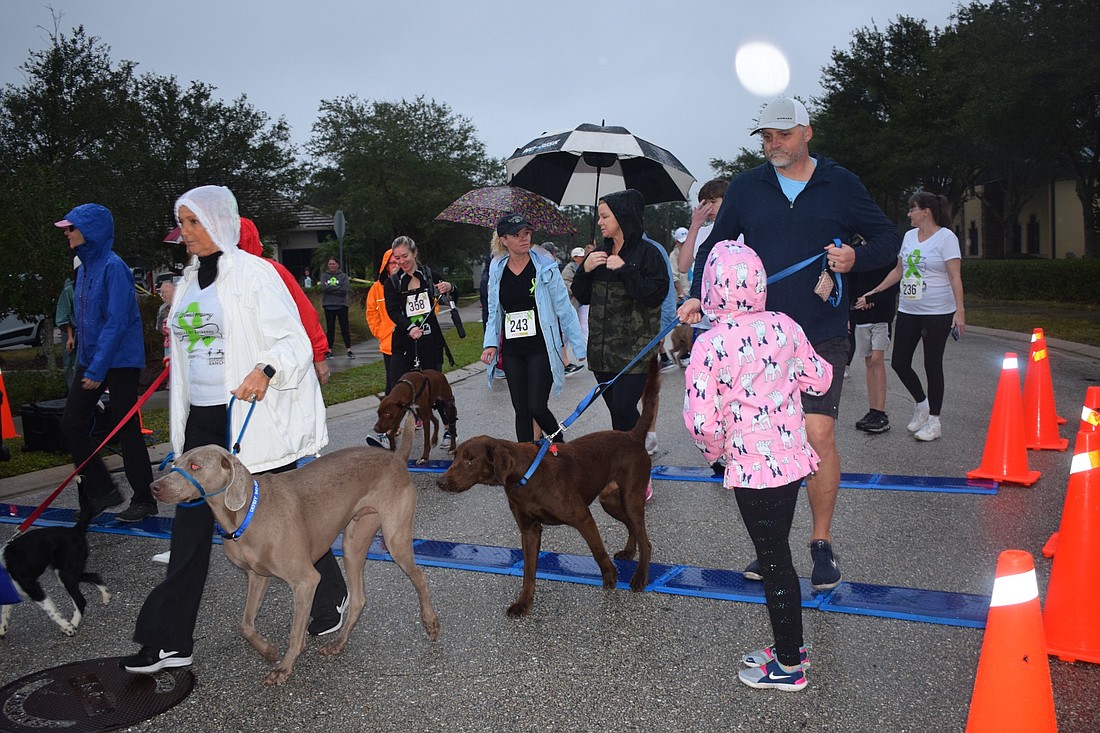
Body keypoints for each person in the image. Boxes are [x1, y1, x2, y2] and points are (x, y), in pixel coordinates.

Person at [121, 185, 345, 674]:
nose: (185, 235)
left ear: (220, 222)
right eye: (181, 224)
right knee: (191, 530)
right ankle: (170, 639)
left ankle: (328, 593)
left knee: (288, 514)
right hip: (201, 421)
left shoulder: (257, 274)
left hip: (248, 415)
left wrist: (267, 369)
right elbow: (186, 347)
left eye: (193, 223)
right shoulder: (185, 282)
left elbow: (293, 342)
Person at [677, 97, 900, 589]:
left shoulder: (839, 184)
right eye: (765, 136)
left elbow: (888, 238)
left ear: (807, 133)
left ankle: (821, 542)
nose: (772, 143)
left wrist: (853, 257)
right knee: (768, 445)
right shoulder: (747, 186)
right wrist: (698, 296)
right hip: (757, 343)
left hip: (819, 332)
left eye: (782, 134)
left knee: (817, 434)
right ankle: (773, 547)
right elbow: (716, 248)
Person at [683, 240, 831, 691]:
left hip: (752, 468)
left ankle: (789, 665)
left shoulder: (709, 343)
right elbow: (820, 379)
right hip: (792, 461)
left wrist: (718, 455)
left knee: (774, 561)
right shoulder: (784, 325)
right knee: (778, 553)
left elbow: (702, 420)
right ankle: (793, 644)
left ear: (710, 286)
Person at [54, 204, 157, 523]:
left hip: (120, 360)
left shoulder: (115, 267)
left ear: (91, 230)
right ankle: (102, 491)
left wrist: (98, 369)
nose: (67, 233)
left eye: (71, 228)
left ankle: (144, 499)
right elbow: (85, 321)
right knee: (71, 422)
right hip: (92, 358)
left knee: (126, 428)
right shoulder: (84, 268)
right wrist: (88, 362)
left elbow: (116, 322)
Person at [571, 189, 670, 498]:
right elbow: (582, 295)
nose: (599, 222)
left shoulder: (648, 253)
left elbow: (655, 295)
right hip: (601, 353)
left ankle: (638, 475)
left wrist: (625, 269)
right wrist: (584, 270)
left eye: (605, 216)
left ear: (622, 217)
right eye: (599, 216)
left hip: (634, 352)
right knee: (618, 415)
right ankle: (624, 470)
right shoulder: (597, 253)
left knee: (626, 410)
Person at [863, 191, 965, 442]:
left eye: (913, 209)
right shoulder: (909, 237)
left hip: (938, 311)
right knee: (899, 361)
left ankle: (934, 421)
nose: (909, 213)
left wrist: (960, 311)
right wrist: (876, 289)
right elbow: (899, 270)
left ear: (926, 212)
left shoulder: (946, 238)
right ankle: (922, 403)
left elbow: (954, 276)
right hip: (909, 309)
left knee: (932, 364)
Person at [481, 214, 586, 442]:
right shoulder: (497, 269)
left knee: (537, 407)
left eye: (527, 233)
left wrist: (578, 346)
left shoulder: (545, 267)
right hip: (512, 350)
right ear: (504, 239)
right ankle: (525, 462)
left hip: (541, 346)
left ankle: (562, 450)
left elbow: (564, 308)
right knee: (522, 410)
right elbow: (493, 312)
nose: (524, 239)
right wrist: (490, 343)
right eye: (516, 235)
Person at [238, 218, 330, 386]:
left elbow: (304, 313)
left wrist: (318, 355)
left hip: (273, 367)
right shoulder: (204, 279)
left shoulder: (272, 272)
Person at [383, 236, 455, 384]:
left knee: (433, 388)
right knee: (398, 388)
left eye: (405, 256)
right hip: (403, 343)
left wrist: (450, 288)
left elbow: (451, 299)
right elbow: (393, 311)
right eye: (397, 258)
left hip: (430, 341)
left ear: (414, 253)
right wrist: (410, 327)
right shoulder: (393, 282)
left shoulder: (428, 275)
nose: (402, 261)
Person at [849, 259, 899, 434]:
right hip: (862, 317)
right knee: (869, 362)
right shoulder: (858, 253)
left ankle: (881, 413)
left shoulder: (886, 254)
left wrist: (873, 298)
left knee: (878, 360)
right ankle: (872, 410)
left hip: (881, 317)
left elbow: (893, 284)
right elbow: (852, 283)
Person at [560, 246, 588, 375]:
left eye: (583, 257)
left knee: (584, 327)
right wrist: (578, 288)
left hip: (582, 302)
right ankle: (563, 359)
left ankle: (585, 352)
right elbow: (565, 284)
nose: (582, 259)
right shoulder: (569, 269)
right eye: (580, 257)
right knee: (565, 332)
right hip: (572, 302)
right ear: (574, 257)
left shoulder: (583, 267)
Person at [320, 257, 353, 359]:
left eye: (334, 264)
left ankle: (349, 349)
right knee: (330, 329)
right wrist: (337, 288)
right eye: (330, 264)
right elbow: (324, 288)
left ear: (338, 265)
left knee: (345, 328)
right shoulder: (324, 276)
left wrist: (331, 289)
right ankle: (329, 349)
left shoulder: (343, 276)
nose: (332, 266)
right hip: (328, 305)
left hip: (342, 305)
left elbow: (345, 289)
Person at [54, 257, 79, 389]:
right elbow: (64, 316)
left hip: (90, 334)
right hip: (74, 334)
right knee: (72, 364)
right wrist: (70, 336)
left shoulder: (92, 287)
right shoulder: (69, 291)